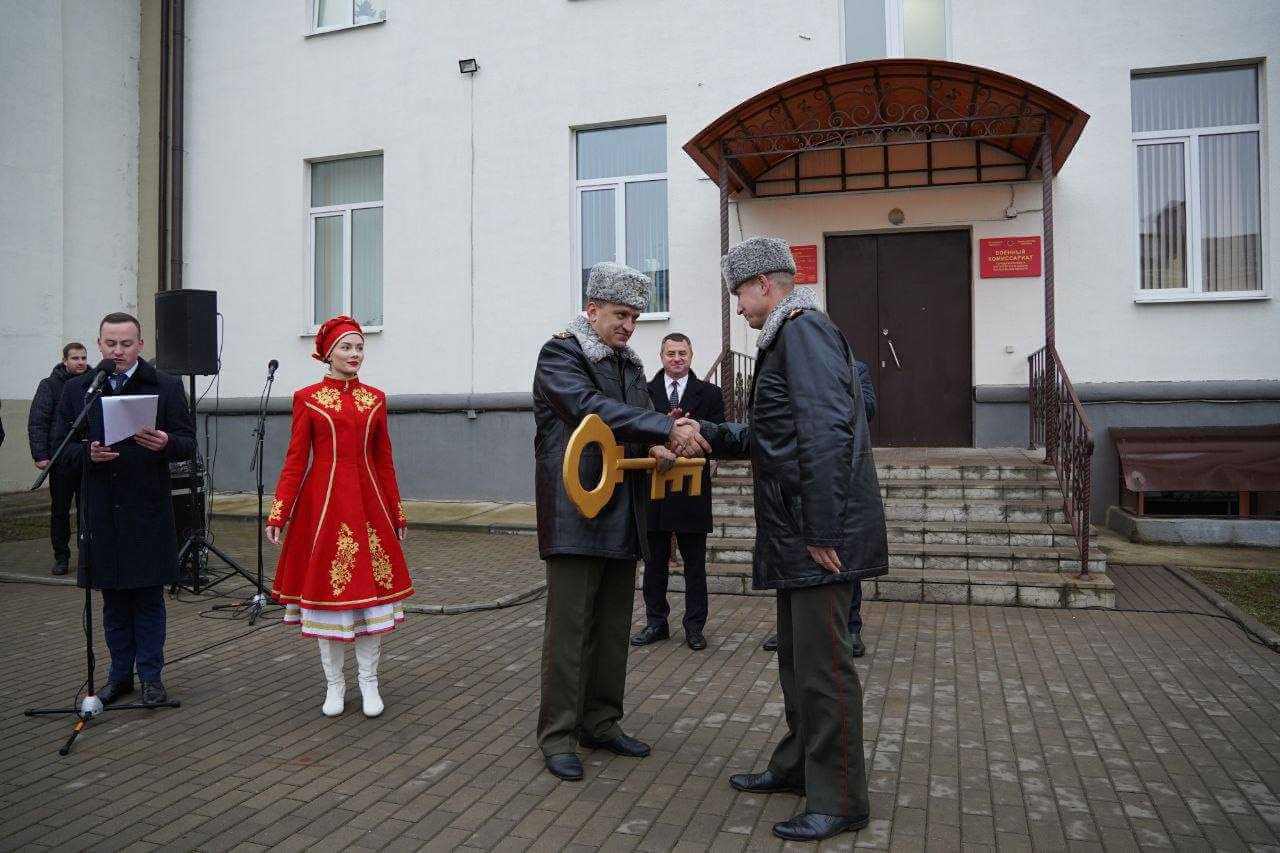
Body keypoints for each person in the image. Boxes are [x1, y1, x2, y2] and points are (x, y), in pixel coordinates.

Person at [700, 237, 888, 842]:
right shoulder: (786, 336)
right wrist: (705, 433)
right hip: (796, 534)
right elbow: (771, 434)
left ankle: (839, 798)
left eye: (738, 293)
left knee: (825, 669)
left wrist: (823, 529)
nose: (737, 307)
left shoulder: (802, 332)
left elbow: (827, 431)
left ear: (765, 285)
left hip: (815, 536)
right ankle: (797, 767)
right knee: (798, 662)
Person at [533, 261, 709, 782]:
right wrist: (659, 426)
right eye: (619, 315)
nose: (629, 326)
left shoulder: (629, 363)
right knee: (569, 632)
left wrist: (658, 443)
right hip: (575, 511)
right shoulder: (561, 353)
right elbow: (589, 409)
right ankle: (559, 735)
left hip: (622, 511)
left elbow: (631, 427)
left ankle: (602, 722)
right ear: (592, 311)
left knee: (611, 629)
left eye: (634, 317)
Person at [266, 315, 413, 719]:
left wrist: (396, 509)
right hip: (323, 507)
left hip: (368, 505)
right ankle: (334, 685)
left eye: (360, 347)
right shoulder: (308, 398)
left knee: (371, 602)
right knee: (328, 601)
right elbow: (296, 460)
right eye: (346, 347)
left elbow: (385, 462)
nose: (355, 354)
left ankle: (369, 681)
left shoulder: (376, 399)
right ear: (328, 353)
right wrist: (280, 510)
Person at [52, 312, 196, 706]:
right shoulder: (79, 389)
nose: (118, 351)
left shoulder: (164, 386)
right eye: (111, 344)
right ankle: (119, 676)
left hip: (146, 509)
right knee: (113, 601)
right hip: (101, 512)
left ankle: (151, 678)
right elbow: (58, 450)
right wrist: (87, 453)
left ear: (140, 345)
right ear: (99, 344)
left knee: (148, 599)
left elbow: (187, 442)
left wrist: (165, 441)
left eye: (126, 344)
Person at [762, 358, 875, 654]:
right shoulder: (794, 369)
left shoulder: (855, 369)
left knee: (841, 567)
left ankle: (851, 629)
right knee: (793, 563)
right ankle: (790, 629)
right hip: (794, 487)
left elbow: (867, 410)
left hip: (837, 486)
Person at [632, 333, 725, 651]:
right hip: (655, 486)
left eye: (682, 352)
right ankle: (656, 623)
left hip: (693, 489)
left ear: (691, 355)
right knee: (654, 562)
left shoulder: (711, 394)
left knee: (695, 563)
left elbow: (718, 434)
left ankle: (695, 627)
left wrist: (686, 434)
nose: (676, 358)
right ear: (661, 356)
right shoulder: (643, 392)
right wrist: (659, 441)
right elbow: (635, 433)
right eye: (670, 353)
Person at [28, 342, 90, 575]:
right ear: (65, 361)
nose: (81, 362)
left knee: (88, 509)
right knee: (60, 511)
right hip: (61, 458)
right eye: (75, 358)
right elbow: (38, 421)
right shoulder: (50, 386)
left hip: (85, 457)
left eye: (83, 358)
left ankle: (87, 556)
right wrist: (41, 454)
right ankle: (61, 557)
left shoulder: (93, 383)